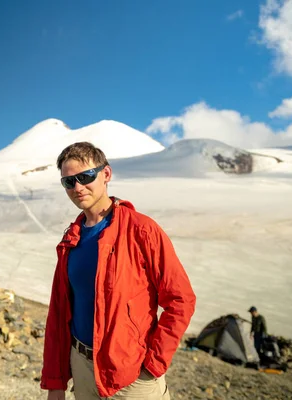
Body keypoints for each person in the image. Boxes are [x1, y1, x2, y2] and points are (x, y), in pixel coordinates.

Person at [41, 142, 196, 399]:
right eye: (68, 182)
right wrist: (55, 383)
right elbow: (59, 313)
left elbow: (181, 300)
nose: (78, 187)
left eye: (85, 176)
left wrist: (153, 365)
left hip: (132, 375)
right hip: (81, 367)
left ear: (106, 174)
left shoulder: (141, 230)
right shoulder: (72, 239)